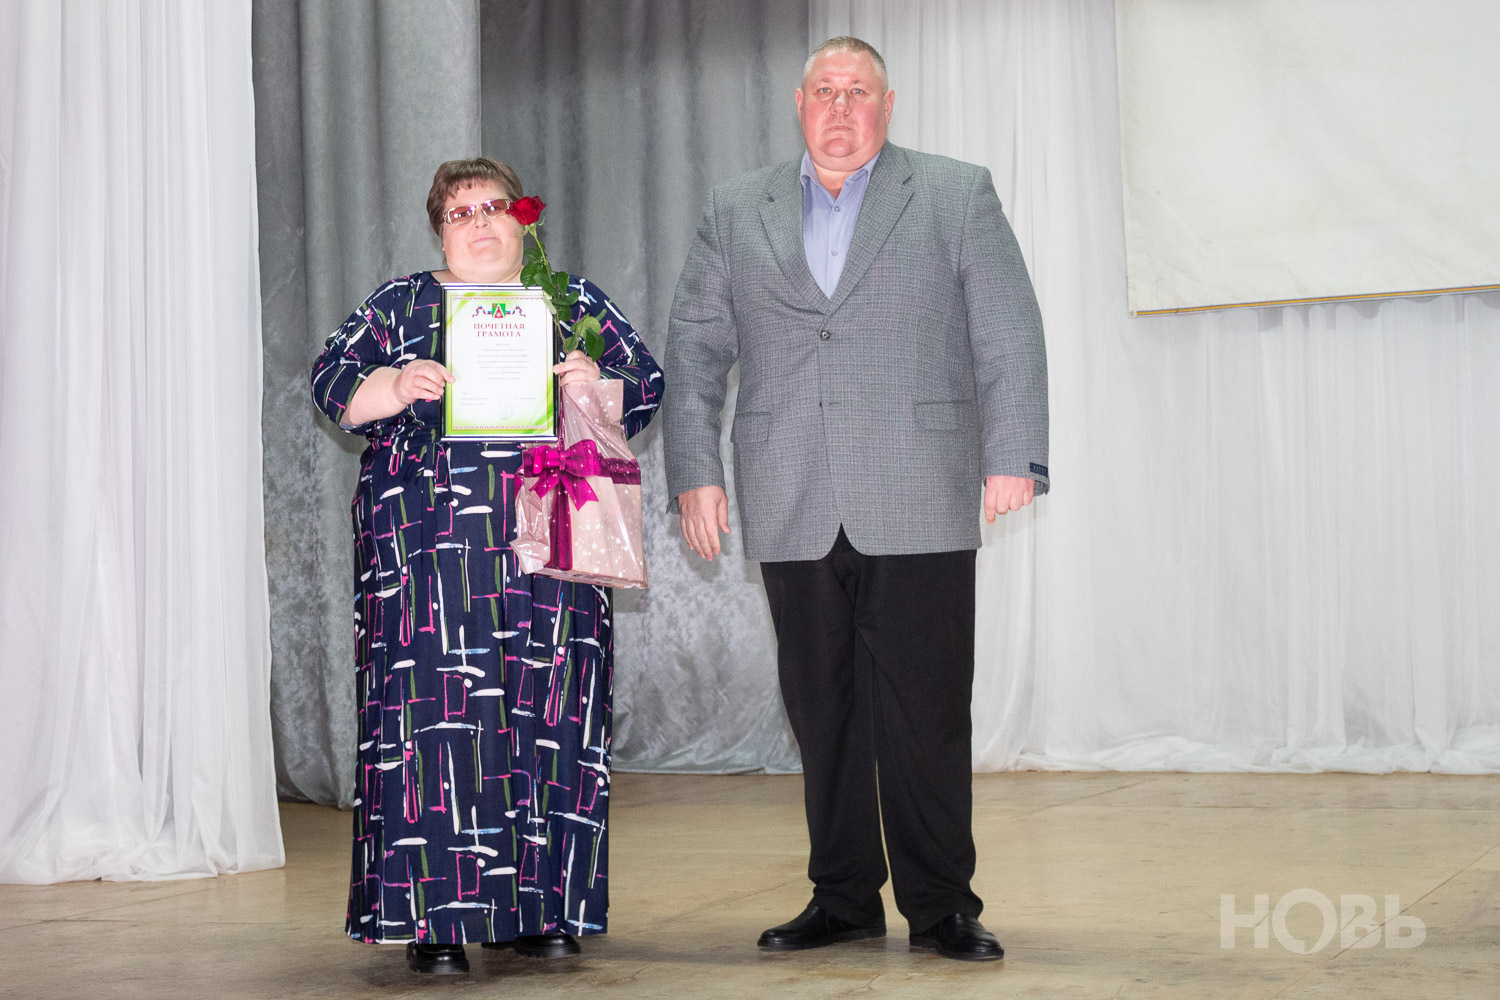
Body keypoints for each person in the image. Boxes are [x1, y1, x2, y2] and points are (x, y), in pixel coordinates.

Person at [663, 37, 1048, 963]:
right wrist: (695, 471)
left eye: (859, 92)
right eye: (826, 91)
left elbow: (1009, 331)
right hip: (789, 489)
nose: (841, 108)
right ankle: (841, 898)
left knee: (926, 710)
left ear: (888, 103)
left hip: (918, 486)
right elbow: (696, 347)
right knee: (821, 710)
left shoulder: (954, 193)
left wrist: (1014, 453)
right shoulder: (735, 208)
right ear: (799, 103)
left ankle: (942, 904)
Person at [311, 157, 662, 975]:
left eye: (494, 207)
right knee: (433, 722)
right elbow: (331, 381)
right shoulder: (399, 304)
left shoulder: (570, 301)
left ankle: (542, 910)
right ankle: (432, 917)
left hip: (555, 537)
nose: (478, 223)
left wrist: (594, 382)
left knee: (554, 708)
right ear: (440, 229)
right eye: (459, 212)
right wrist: (395, 382)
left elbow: (645, 383)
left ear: (523, 221)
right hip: (426, 547)